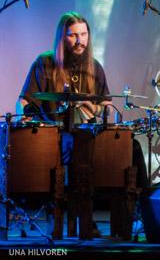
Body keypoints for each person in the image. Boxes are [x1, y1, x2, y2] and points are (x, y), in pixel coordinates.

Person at [16, 11, 148, 186]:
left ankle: (142, 204)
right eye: (73, 35)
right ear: (62, 37)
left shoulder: (94, 67)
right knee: (75, 146)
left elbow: (107, 105)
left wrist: (95, 109)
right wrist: (24, 117)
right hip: (55, 135)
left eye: (84, 34)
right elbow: (24, 101)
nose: (80, 41)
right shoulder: (45, 63)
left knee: (133, 146)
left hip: (88, 132)